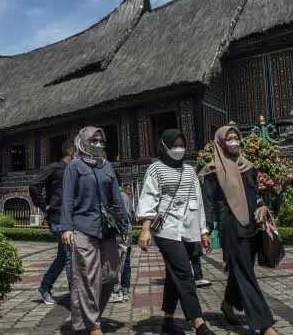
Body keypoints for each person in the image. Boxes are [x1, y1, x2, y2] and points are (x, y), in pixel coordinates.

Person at [201, 125, 277, 335]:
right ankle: (264, 325)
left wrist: (262, 204)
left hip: (253, 224)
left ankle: (227, 304)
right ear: (220, 143)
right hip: (231, 227)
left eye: (236, 138)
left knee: (241, 269)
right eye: (229, 139)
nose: (234, 142)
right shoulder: (212, 170)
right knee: (245, 272)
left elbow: (255, 192)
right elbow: (208, 203)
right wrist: (205, 230)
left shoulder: (247, 165)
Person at [137, 129, 211, 335]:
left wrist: (203, 231)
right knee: (185, 272)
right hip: (166, 228)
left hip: (188, 227)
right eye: (174, 145)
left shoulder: (189, 170)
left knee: (173, 273)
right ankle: (198, 322)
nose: (178, 149)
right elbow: (149, 198)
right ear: (164, 146)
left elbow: (199, 201)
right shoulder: (155, 169)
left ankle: (168, 320)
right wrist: (145, 229)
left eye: (181, 144)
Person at [59, 127, 126, 335]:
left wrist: (125, 225)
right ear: (83, 142)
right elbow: (67, 199)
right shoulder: (75, 167)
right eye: (93, 140)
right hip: (82, 228)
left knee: (111, 275)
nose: (98, 144)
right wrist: (66, 227)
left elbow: (116, 198)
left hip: (107, 229)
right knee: (87, 278)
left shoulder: (107, 167)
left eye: (101, 141)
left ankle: (89, 318)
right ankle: (93, 325)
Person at [29, 139, 75, 305]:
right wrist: (44, 207)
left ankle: (45, 287)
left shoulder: (73, 170)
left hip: (69, 218)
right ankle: (76, 296)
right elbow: (34, 185)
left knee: (64, 256)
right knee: (70, 254)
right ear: (71, 153)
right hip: (56, 217)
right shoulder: (54, 168)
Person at [111, 182, 134, 303]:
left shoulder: (114, 196)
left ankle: (116, 291)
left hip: (119, 232)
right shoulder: (126, 196)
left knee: (115, 263)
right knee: (127, 262)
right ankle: (125, 290)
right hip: (128, 231)